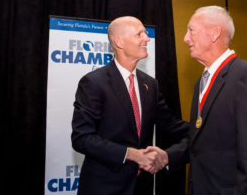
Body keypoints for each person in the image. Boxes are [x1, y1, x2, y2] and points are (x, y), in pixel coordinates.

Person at [148, 5, 247, 194]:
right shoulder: (201, 81)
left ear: (214, 33)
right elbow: (204, 140)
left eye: (191, 30)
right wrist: (168, 156)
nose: (185, 38)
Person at [71, 16, 188, 195]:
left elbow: (171, 125)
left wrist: (206, 128)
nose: (147, 39)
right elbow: (82, 138)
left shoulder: (150, 84)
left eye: (146, 34)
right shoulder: (94, 83)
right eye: (139, 34)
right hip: (104, 187)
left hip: (142, 186)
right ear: (119, 42)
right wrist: (132, 154)